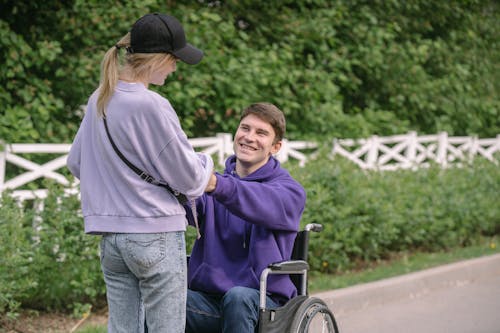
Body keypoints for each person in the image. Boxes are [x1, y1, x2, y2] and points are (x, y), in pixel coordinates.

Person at [67, 13, 214, 333]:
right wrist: (207, 164)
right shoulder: (152, 105)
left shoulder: (99, 98)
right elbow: (190, 179)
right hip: (155, 232)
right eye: (175, 59)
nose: (176, 67)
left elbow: (76, 163)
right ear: (159, 59)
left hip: (111, 239)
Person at [184, 103, 307, 333]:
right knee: (161, 296)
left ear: (276, 146)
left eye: (261, 133)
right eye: (245, 128)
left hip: (264, 302)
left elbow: (256, 199)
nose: (249, 137)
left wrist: (215, 185)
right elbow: (185, 204)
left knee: (238, 297)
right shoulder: (213, 187)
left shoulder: (290, 192)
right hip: (209, 300)